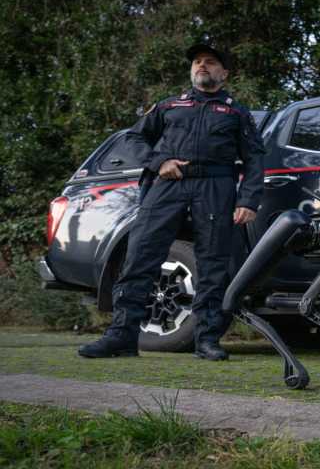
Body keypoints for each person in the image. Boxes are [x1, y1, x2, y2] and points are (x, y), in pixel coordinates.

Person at [78, 43, 265, 361]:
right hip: (167, 184)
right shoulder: (168, 107)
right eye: (196, 61)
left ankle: (206, 340)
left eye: (210, 62)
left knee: (213, 265)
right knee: (139, 257)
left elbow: (255, 157)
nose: (201, 65)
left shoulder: (237, 112)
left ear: (224, 73)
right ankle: (121, 337)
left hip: (216, 186)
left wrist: (248, 200)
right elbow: (134, 139)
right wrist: (159, 161)